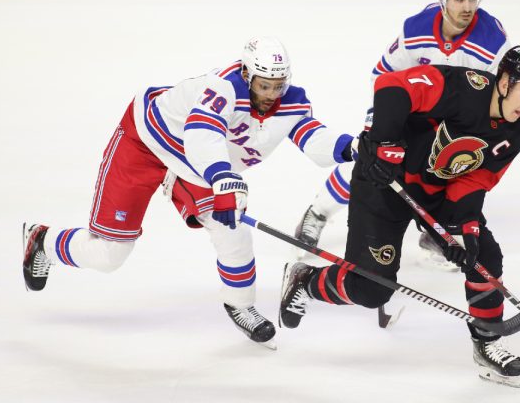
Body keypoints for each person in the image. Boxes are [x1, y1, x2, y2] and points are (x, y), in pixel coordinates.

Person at [22, 36, 355, 350]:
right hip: (147, 143)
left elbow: (311, 135)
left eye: (278, 85)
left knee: (233, 231)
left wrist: (352, 148)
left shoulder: (292, 100)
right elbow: (202, 134)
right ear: (246, 73)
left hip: (199, 166)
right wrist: (223, 178)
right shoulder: (222, 88)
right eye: (263, 85)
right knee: (110, 255)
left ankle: (241, 306)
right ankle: (43, 241)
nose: (271, 93)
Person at [279, 46, 520, 387]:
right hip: (383, 182)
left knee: (484, 256)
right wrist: (384, 144)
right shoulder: (467, 87)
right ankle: (305, 280)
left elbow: (475, 179)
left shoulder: (517, 132)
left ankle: (488, 341)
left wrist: (461, 228)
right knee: (371, 290)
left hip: (436, 193)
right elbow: (393, 86)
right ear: (506, 81)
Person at [294, 0, 512, 273]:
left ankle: (433, 234)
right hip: (413, 112)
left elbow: (497, 98)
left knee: (452, 171)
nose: (467, 7)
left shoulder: (492, 41)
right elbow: (384, 74)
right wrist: (380, 126)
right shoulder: (416, 29)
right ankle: (318, 212)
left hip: (455, 123)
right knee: (370, 164)